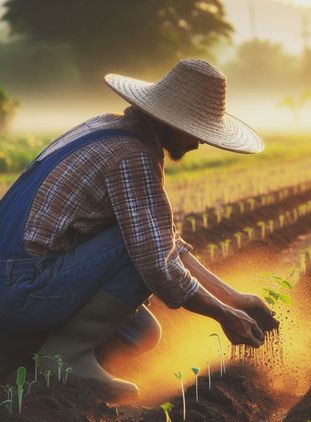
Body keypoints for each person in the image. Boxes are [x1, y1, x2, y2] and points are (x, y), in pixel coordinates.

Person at [0, 59, 277, 396]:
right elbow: (157, 262)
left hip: (17, 276)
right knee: (139, 252)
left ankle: (25, 355)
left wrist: (235, 299)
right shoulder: (133, 156)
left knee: (141, 331)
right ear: (170, 122)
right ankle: (65, 357)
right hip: (21, 289)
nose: (199, 143)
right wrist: (224, 315)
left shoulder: (106, 127)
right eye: (197, 131)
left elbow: (165, 239)